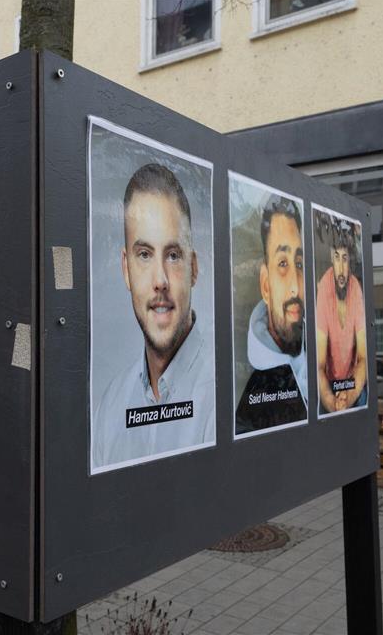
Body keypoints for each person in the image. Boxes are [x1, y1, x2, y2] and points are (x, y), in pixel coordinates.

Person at [93, 163, 214, 470]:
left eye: (173, 255)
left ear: (194, 269)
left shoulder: (222, 394)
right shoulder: (110, 407)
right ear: (126, 269)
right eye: (144, 254)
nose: (160, 280)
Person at [235, 196, 308, 433]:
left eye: (299, 263)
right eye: (283, 264)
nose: (296, 287)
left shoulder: (319, 346)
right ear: (265, 285)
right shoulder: (246, 384)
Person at [316, 223, 367, 413]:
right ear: (331, 258)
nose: (341, 268)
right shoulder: (323, 288)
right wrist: (331, 401)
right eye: (337, 258)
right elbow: (319, 364)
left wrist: (349, 396)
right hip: (329, 383)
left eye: (345, 259)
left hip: (352, 381)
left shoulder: (356, 289)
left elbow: (363, 357)